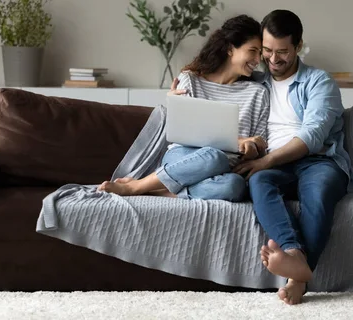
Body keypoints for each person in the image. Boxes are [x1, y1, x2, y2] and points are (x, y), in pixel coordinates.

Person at [232, 9, 353, 305]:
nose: (273, 59)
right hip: (276, 165)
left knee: (318, 191)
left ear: (299, 46)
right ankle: (294, 255)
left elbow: (311, 138)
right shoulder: (255, 84)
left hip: (318, 160)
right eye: (267, 51)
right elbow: (213, 85)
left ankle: (297, 278)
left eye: (283, 52)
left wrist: (265, 160)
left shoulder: (320, 82)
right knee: (259, 182)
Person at [98, 14, 270, 201]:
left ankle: (162, 190)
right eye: (253, 51)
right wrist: (237, 140)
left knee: (234, 186)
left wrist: (251, 147)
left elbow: (259, 148)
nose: (257, 59)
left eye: (260, 53)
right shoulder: (190, 80)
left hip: (226, 169)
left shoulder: (258, 93)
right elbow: (185, 132)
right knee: (215, 156)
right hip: (184, 157)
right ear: (230, 49)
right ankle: (136, 187)